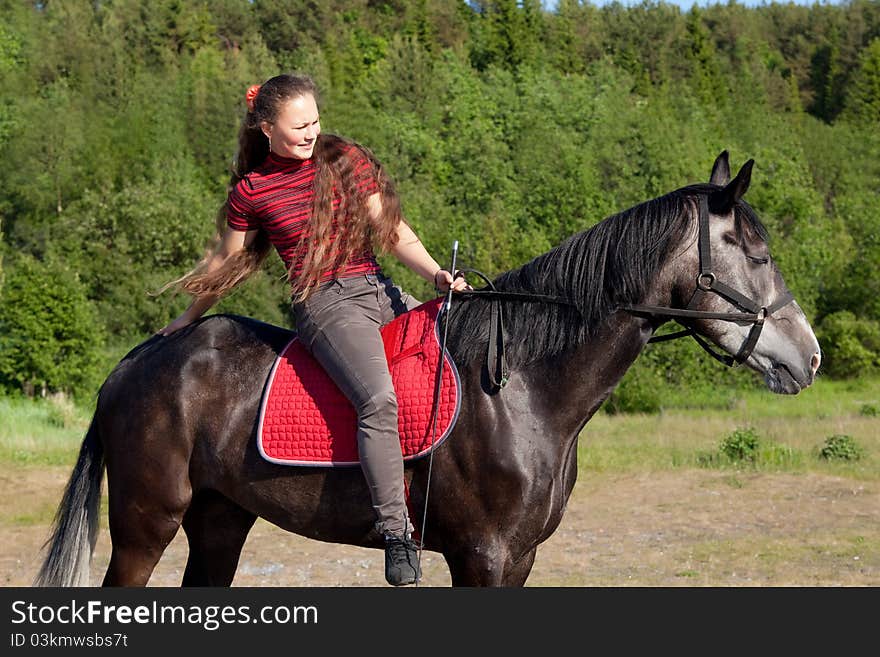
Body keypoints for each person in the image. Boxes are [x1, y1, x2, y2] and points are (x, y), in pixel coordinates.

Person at [158, 73, 468, 586]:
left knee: (459, 353)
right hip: (327, 306)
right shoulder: (251, 192)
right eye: (299, 125)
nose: (310, 132)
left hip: (379, 288)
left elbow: (390, 229)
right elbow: (225, 263)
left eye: (315, 120)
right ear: (264, 128)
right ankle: (396, 532)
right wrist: (190, 317)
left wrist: (436, 274)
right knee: (377, 402)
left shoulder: (344, 158)